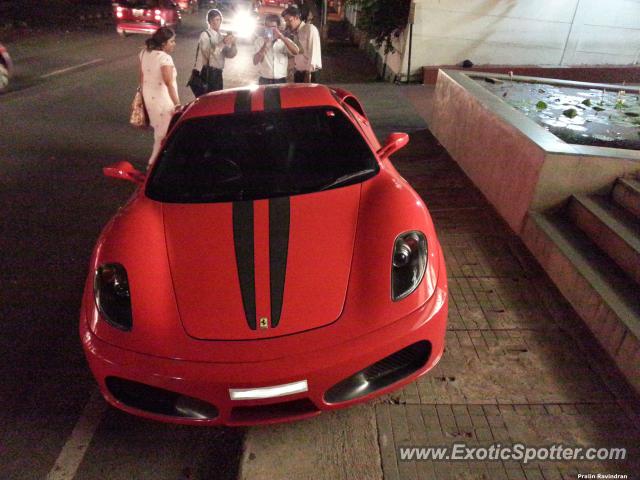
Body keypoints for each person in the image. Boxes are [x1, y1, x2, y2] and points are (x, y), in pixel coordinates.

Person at [139, 27, 180, 166]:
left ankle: (158, 162)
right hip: (163, 100)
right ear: (163, 44)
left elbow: (142, 77)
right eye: (172, 41)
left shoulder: (144, 53)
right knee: (162, 134)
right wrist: (177, 104)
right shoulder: (165, 58)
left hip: (149, 97)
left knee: (160, 131)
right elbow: (169, 83)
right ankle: (153, 164)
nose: (174, 44)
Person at [198, 9, 237, 92]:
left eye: (218, 20)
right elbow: (209, 55)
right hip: (209, 73)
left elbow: (230, 54)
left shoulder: (220, 36)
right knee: (209, 100)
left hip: (218, 73)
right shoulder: (205, 35)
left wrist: (233, 44)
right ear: (209, 21)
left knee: (217, 98)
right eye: (213, 20)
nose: (216, 22)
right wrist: (223, 42)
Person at [253, 14, 299, 85]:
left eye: (273, 27)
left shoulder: (284, 41)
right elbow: (255, 61)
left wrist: (282, 37)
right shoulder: (259, 41)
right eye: (267, 27)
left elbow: (296, 51)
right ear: (264, 27)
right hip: (264, 80)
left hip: (281, 80)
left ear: (278, 28)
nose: (270, 30)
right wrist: (265, 45)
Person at [282, 5, 321, 83]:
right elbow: (294, 54)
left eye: (289, 20)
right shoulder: (294, 33)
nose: (287, 23)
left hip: (309, 74)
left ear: (296, 17)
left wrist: (308, 75)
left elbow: (313, 53)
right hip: (298, 73)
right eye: (285, 21)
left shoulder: (310, 29)